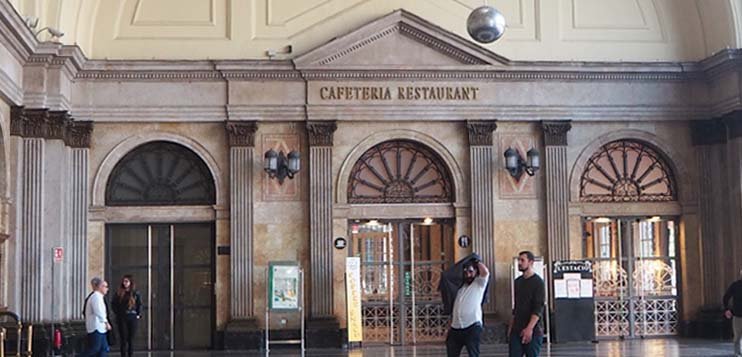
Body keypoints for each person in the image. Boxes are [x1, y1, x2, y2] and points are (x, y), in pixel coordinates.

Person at [445, 257, 490, 357]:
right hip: (456, 327)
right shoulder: (460, 287)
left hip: (472, 326)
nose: (468, 275)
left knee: (473, 354)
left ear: (476, 272)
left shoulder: (479, 284)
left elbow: (485, 272)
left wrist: (476, 260)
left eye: (470, 271)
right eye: (465, 272)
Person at [509, 251, 545, 357]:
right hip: (517, 328)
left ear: (530, 262)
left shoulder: (538, 283)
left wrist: (529, 328)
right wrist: (511, 326)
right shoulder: (517, 282)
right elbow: (516, 306)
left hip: (533, 330)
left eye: (522, 260)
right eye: (519, 260)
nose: (519, 263)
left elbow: (538, 307)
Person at [111, 275, 142, 357]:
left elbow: (139, 304)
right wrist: (118, 313)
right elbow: (114, 304)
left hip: (132, 317)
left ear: (130, 282)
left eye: (127, 281)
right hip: (122, 317)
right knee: (123, 338)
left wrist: (138, 314)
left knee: (131, 339)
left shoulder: (135, 293)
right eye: (124, 281)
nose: (125, 283)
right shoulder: (119, 293)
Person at [80, 277, 111, 357]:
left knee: (104, 348)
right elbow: (99, 311)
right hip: (96, 327)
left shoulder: (99, 297)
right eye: (105, 286)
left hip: (100, 327)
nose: (107, 289)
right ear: (100, 286)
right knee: (95, 348)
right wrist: (106, 322)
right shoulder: (96, 297)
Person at [724, 269, 742, 357]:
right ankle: (737, 353)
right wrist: (727, 309)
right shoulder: (735, 285)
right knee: (737, 336)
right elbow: (726, 297)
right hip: (738, 315)